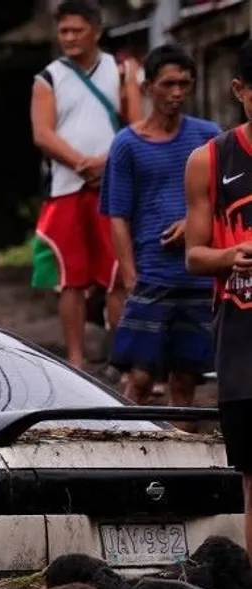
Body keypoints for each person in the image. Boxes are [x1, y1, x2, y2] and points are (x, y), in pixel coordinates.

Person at [100, 45, 220, 414]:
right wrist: (130, 276)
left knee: (185, 380)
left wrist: (194, 223)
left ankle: (180, 465)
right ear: (149, 86)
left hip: (198, 276)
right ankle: (128, 452)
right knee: (138, 378)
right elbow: (116, 214)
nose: (177, 93)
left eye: (184, 84)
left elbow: (227, 200)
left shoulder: (209, 136)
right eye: (168, 84)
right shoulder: (127, 145)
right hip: (152, 274)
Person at [30, 0, 141, 368]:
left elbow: (136, 126)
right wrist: (81, 163)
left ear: (96, 30)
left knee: (117, 274)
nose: (70, 38)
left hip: (113, 187)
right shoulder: (48, 77)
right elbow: (42, 134)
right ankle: (76, 360)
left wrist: (106, 162)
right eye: (64, 31)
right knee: (70, 278)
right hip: (65, 187)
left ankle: (119, 359)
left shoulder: (122, 70)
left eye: (77, 30)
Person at [186, 38, 252, 553]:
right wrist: (232, 257)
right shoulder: (211, 159)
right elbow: (194, 254)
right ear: (239, 90)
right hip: (242, 340)